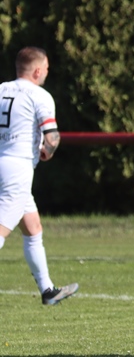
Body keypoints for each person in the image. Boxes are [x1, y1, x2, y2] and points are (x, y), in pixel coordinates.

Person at [0, 47, 79, 306]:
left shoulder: (1, 89)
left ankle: (48, 290)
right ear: (36, 71)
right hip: (18, 168)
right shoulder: (40, 95)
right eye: (45, 68)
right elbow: (52, 136)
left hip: (2, 162)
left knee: (33, 227)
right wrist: (48, 151)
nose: (47, 72)